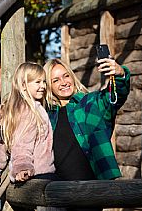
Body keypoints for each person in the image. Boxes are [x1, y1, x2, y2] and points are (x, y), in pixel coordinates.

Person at [43, 57, 130, 209]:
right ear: (48, 86)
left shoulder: (90, 103)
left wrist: (120, 74)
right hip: (57, 194)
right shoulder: (46, 115)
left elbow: (114, 98)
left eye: (66, 76)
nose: (63, 82)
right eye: (55, 80)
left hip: (90, 192)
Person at [0, 62, 55, 184]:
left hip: (33, 173)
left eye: (44, 82)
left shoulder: (15, 110)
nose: (43, 86)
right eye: (37, 82)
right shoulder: (30, 110)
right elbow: (22, 144)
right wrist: (22, 168)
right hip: (37, 174)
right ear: (23, 85)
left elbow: (2, 143)